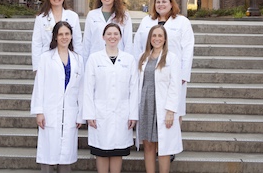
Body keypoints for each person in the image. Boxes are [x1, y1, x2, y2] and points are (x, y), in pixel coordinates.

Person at [133, 0, 194, 129]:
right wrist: (138, 69)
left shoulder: (182, 22)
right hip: (149, 72)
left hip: (173, 74)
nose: (161, 5)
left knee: (174, 110)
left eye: (164, 2)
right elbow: (137, 45)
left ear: (171, 4)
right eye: (158, 2)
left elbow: (188, 49)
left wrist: (183, 75)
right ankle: (152, 143)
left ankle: (170, 147)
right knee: (151, 108)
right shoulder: (147, 20)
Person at [83, 23, 138, 173]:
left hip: (122, 113)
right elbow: (87, 89)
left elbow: (134, 89)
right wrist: (89, 114)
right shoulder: (94, 59)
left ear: (120, 37)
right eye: (109, 34)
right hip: (99, 113)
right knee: (101, 150)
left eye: (116, 34)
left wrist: (133, 114)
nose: (112, 37)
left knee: (117, 151)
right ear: (103, 37)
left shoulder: (129, 59)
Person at [30, 21, 85, 173]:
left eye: (67, 34)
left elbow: (81, 89)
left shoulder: (78, 59)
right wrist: (39, 112)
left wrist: (80, 115)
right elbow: (39, 85)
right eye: (60, 34)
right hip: (50, 111)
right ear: (55, 37)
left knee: (66, 154)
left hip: (70, 112)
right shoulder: (46, 58)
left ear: (71, 36)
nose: (64, 37)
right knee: (48, 153)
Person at [136, 25, 182, 173]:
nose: (156, 39)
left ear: (165, 39)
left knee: (164, 147)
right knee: (148, 145)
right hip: (146, 105)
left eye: (160, 36)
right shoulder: (143, 57)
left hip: (162, 106)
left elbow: (175, 86)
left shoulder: (171, 58)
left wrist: (170, 111)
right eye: (154, 36)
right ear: (150, 38)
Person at [31, 0, 83, 71]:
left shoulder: (73, 16)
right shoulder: (41, 18)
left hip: (68, 58)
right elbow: (36, 43)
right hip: (47, 59)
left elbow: (77, 41)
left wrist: (79, 63)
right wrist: (37, 67)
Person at [82, 0, 133, 64]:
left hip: (117, 60)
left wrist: (126, 62)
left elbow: (128, 42)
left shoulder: (124, 15)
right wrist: (85, 63)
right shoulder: (92, 15)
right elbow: (87, 42)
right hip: (96, 60)